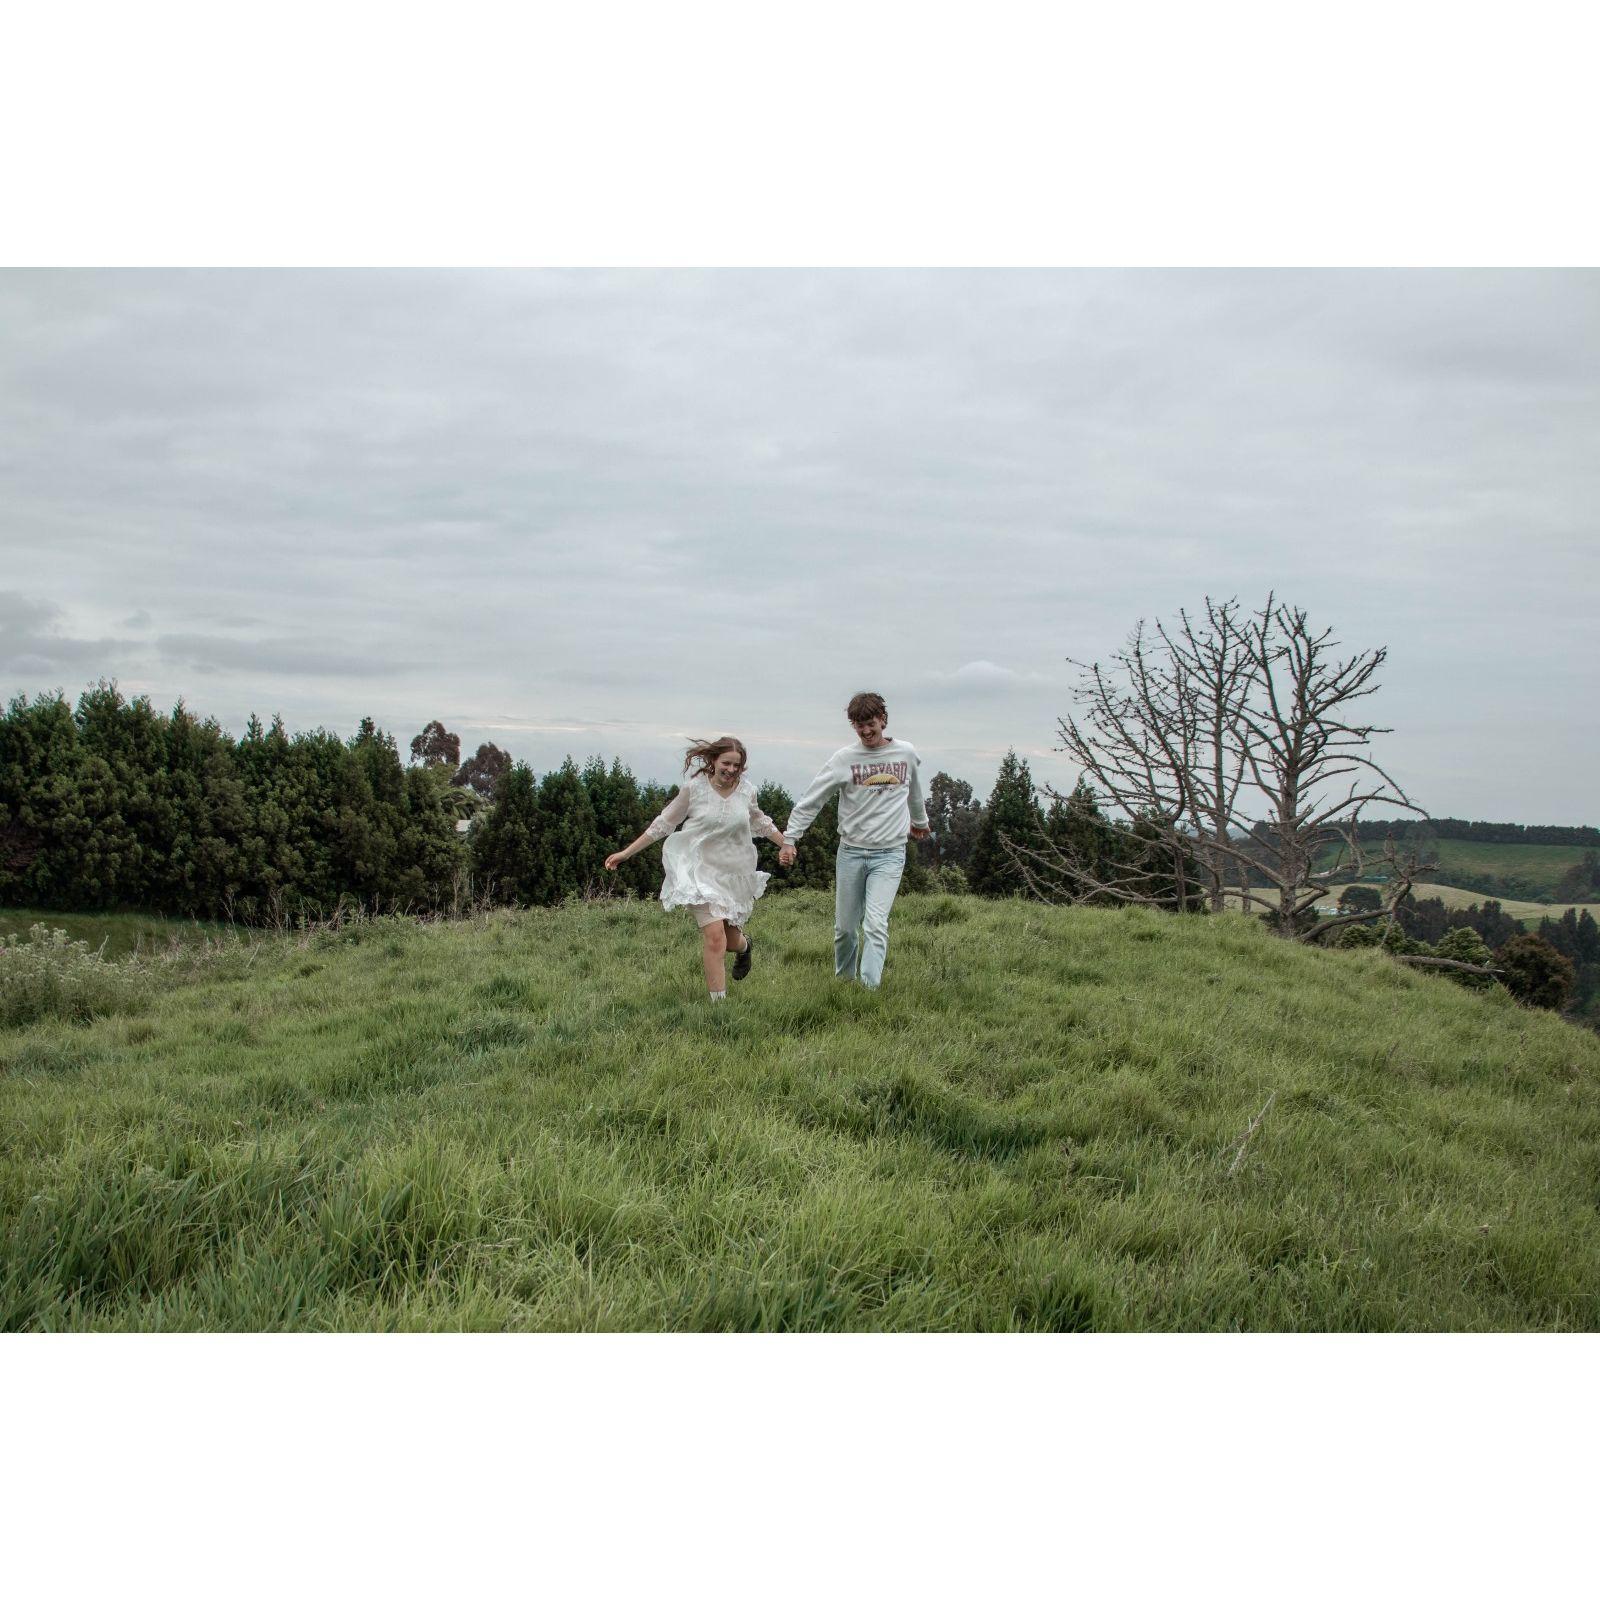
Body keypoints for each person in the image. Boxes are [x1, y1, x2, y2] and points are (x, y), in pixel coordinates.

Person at [605, 736, 787, 1002]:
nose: (731, 770)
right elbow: (662, 824)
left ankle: (745, 946)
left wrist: (787, 844)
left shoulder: (747, 791)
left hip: (733, 874)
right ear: (713, 760)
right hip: (698, 873)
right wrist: (626, 853)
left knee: (731, 940)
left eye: (737, 765)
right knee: (715, 938)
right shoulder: (694, 789)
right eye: (726, 763)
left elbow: (761, 823)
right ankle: (719, 1009)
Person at [777, 692, 931, 990]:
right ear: (853, 726)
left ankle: (868, 991)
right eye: (859, 726)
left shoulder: (906, 753)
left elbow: (914, 789)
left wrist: (920, 821)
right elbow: (812, 799)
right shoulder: (844, 759)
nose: (866, 731)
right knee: (845, 929)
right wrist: (790, 838)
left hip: (890, 853)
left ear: (883, 720)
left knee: (875, 923)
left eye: (871, 724)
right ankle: (844, 984)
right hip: (851, 852)